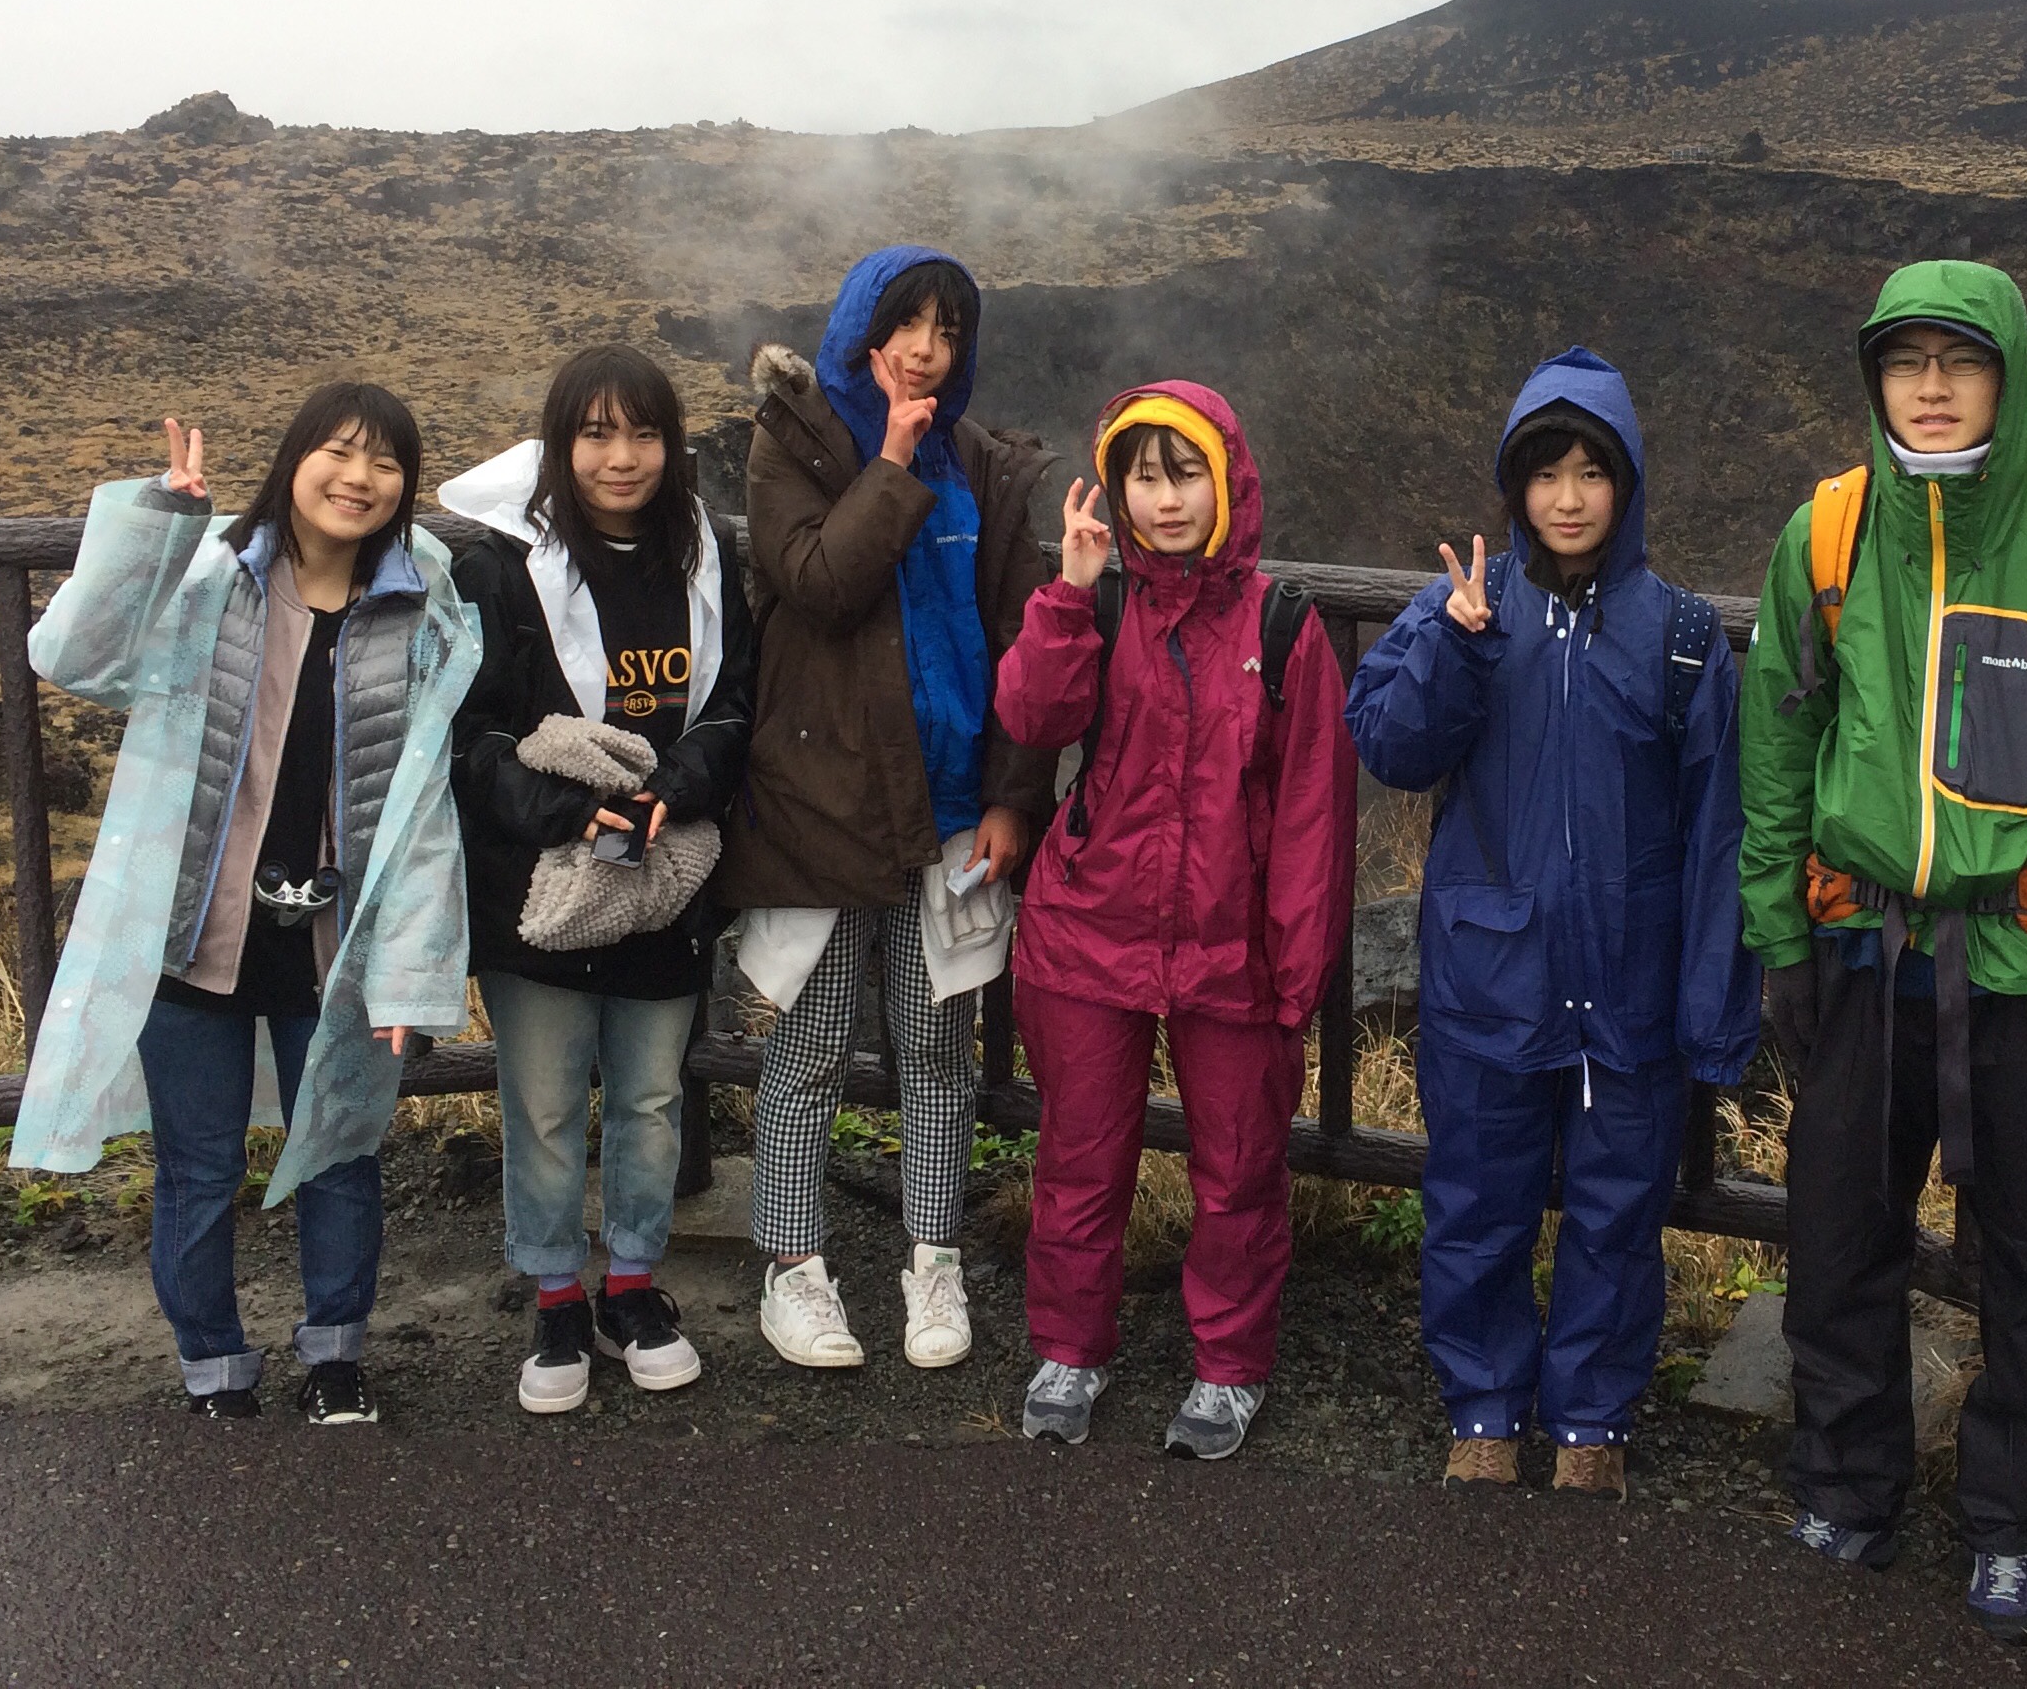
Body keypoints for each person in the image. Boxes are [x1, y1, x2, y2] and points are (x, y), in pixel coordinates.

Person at [1739, 261, 2027, 1639]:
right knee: (1837, 1243)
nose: (1931, 388)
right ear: (1873, 379)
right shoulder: (1823, 541)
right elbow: (1778, 746)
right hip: (1865, 949)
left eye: (1960, 359)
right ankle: (1849, 1488)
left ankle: (2011, 1526)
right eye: (1905, 362)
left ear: (2009, 371)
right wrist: (1780, 934)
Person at [10, 384, 477, 1425]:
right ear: (295, 459)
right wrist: (159, 528)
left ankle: (336, 1355)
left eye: (386, 463)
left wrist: (412, 966)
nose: (359, 478)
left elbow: (423, 810)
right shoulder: (211, 570)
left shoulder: (422, 599)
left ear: (405, 487)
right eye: (339, 452)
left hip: (335, 943)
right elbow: (74, 659)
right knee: (200, 1162)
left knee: (340, 1153)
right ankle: (213, 1361)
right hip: (195, 932)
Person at [1346, 348, 1759, 1496]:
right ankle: (1483, 1406)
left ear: (1627, 485)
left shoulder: (1680, 636)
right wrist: (1454, 649)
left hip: (1628, 989)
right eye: (1545, 474)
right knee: (1475, 1206)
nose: (1568, 498)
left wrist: (1711, 1005)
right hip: (1490, 980)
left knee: (1617, 1219)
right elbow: (1388, 745)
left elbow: (1718, 830)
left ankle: (1591, 1423)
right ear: (1514, 488)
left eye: (1592, 471)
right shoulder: (1466, 609)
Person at [990, 383, 1357, 1460]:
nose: (1163, 500)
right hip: (1088, 931)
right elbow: (1031, 715)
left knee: (1240, 1169)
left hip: (1230, 949)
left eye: (1183, 473)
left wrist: (1296, 970)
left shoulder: (1282, 627)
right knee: (1078, 1157)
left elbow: (1310, 815)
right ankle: (1070, 1348)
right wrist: (1067, 593)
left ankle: (1229, 1367)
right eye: (1143, 477)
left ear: (1227, 482)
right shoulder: (1099, 606)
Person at [721, 246, 1056, 1371]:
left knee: (934, 1049)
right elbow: (818, 583)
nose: (927, 348)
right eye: (907, 323)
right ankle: (792, 1268)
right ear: (862, 330)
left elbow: (1015, 641)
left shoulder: (979, 465)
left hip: (954, 804)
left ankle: (934, 1261)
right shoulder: (796, 440)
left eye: (947, 331)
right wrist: (893, 461)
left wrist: (1013, 795)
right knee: (810, 1048)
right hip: (822, 801)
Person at [439, 345, 755, 1415]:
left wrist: (680, 782)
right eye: (596, 434)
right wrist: (572, 809)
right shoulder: (500, 568)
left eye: (646, 434)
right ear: (558, 444)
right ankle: (555, 1297)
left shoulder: (704, 562)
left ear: (675, 447)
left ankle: (632, 1285)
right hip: (544, 885)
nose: (623, 458)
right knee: (540, 1102)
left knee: (653, 1097)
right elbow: (471, 737)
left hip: (660, 873)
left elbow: (731, 709)